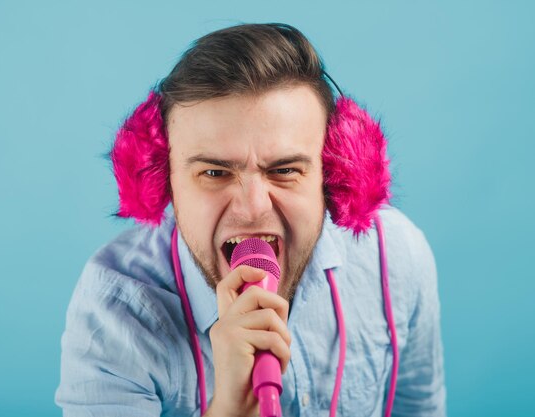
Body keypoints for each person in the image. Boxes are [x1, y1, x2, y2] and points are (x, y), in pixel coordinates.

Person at [55, 23, 446, 417]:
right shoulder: (114, 311)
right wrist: (228, 409)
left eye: (285, 170)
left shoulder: (394, 258)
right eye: (214, 173)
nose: (253, 208)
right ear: (160, 182)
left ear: (338, 177)